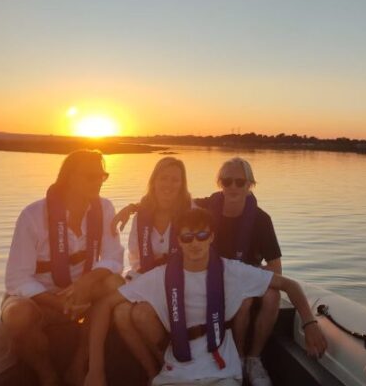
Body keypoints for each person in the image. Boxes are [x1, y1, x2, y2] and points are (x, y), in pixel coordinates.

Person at [86, 207, 326, 386]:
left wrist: (310, 323)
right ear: (178, 241)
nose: (194, 243)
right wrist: (95, 368)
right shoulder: (161, 277)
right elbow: (105, 306)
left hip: (221, 370)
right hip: (175, 372)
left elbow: (289, 285)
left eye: (202, 236)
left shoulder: (232, 271)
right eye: (187, 237)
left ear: (211, 237)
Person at [112, 157, 282, 386]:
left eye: (239, 182)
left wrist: (252, 279)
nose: (232, 187)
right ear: (220, 183)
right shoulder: (208, 206)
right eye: (227, 181)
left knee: (262, 298)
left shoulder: (260, 220)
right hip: (183, 277)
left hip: (229, 276)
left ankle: (250, 359)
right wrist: (133, 207)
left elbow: (276, 269)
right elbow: (165, 201)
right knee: (125, 313)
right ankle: (162, 367)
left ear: (250, 184)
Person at [1, 150, 124, 386]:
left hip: (82, 294)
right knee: (17, 315)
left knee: (115, 284)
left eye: (102, 176)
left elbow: (114, 257)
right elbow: (16, 278)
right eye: (90, 176)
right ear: (69, 177)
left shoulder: (105, 208)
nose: (98, 182)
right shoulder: (33, 215)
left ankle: (79, 365)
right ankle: (47, 375)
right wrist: (57, 301)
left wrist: (86, 282)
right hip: (41, 298)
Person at [112, 157, 193, 370]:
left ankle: (170, 366)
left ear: (182, 184)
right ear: (154, 181)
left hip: (181, 282)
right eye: (163, 178)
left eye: (175, 180)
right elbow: (135, 256)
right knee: (120, 314)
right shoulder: (141, 215)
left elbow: (197, 254)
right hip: (147, 278)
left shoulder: (192, 212)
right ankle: (153, 371)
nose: (168, 185)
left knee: (141, 315)